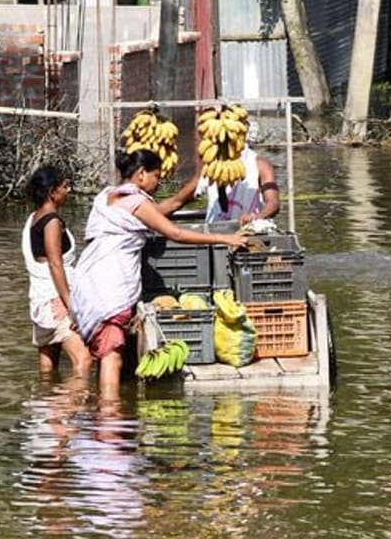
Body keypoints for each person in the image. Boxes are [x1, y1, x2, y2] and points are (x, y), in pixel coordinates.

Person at [71, 150, 248, 399]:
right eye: (156, 176)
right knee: (113, 357)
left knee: (102, 351)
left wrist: (197, 179)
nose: (158, 182)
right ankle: (109, 421)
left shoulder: (106, 196)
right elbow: (174, 233)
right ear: (141, 174)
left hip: (87, 285)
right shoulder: (136, 203)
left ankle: (96, 409)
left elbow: (170, 205)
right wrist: (223, 238)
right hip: (109, 288)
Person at [22, 165, 91, 376]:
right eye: (65, 186)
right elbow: (55, 265)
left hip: (40, 299)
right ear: (52, 192)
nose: (68, 191)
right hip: (56, 301)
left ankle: (45, 406)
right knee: (84, 361)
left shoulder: (34, 218)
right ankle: (65, 407)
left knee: (47, 368)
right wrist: (71, 306)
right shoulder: (51, 222)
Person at [194, 109, 280, 225]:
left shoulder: (260, 164)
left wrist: (257, 217)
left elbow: (273, 203)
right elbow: (190, 193)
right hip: (215, 231)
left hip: (248, 229)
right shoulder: (212, 163)